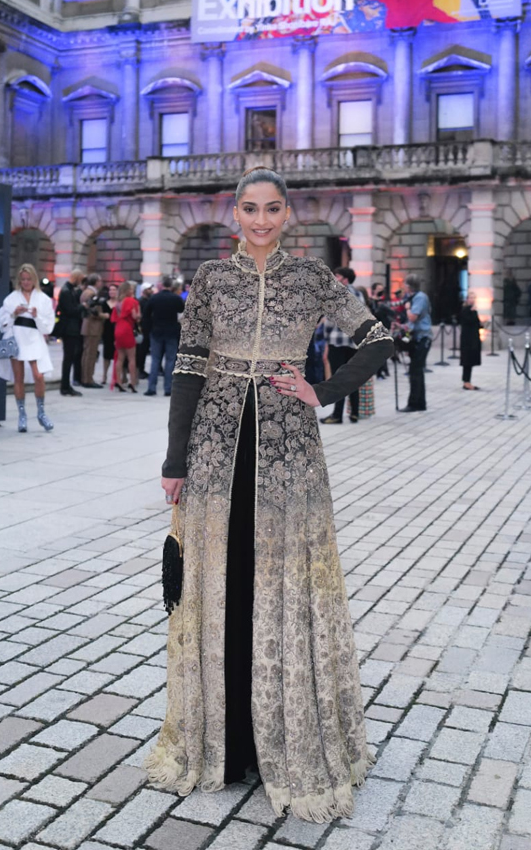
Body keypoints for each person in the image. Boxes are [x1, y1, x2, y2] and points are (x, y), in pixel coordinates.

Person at [150, 167, 392, 822]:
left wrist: (326, 390)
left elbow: (378, 338)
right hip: (214, 449)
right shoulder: (211, 279)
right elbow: (190, 367)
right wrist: (176, 457)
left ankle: (281, 738)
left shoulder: (314, 278)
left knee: (281, 587)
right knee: (221, 584)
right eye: (249, 209)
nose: (260, 220)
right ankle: (223, 746)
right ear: (235, 215)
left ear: (289, 214)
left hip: (288, 449)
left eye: (272, 209)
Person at [0, 263, 56, 432]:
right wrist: (15, 313)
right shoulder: (11, 298)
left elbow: (48, 328)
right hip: (16, 338)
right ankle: (22, 415)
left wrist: (36, 317)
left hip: (34, 338)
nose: (26, 282)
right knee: (18, 377)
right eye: (23, 279)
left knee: (39, 375)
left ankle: (41, 412)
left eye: (29, 279)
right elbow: (3, 324)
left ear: (34, 279)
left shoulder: (43, 299)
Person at [320, 267, 366, 423]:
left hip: (337, 342)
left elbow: (329, 320)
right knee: (352, 378)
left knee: (338, 379)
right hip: (354, 343)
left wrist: (325, 340)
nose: (334, 277)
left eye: (337, 275)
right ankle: (354, 412)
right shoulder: (359, 294)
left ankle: (337, 415)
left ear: (345, 279)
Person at [143, 277, 185, 396]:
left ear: (161, 285)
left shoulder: (154, 298)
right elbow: (182, 310)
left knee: (155, 360)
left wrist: (148, 329)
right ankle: (168, 388)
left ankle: (151, 388)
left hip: (156, 331)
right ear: (171, 286)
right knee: (170, 360)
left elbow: (146, 314)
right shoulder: (176, 298)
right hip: (171, 332)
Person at [400, 275, 431, 412]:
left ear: (409, 286)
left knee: (415, 371)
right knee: (417, 371)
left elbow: (413, 317)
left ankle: (413, 404)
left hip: (422, 338)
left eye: (405, 285)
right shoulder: (413, 297)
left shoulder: (419, 297)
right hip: (415, 338)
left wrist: (407, 308)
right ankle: (420, 403)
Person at [55, 270, 86, 396]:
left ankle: (66, 385)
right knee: (68, 358)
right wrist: (82, 306)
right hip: (68, 329)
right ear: (77, 278)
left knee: (70, 357)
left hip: (71, 328)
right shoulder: (66, 291)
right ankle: (65, 386)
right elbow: (70, 310)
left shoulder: (70, 290)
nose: (81, 282)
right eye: (81, 279)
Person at [79, 275, 109, 387]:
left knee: (87, 353)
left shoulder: (85, 292)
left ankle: (85, 377)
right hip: (92, 327)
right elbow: (93, 312)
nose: (101, 283)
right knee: (90, 354)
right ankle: (88, 379)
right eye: (100, 281)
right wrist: (104, 315)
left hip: (88, 326)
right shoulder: (91, 294)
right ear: (96, 282)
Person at [112, 281, 141, 393]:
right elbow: (135, 316)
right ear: (127, 290)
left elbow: (114, 318)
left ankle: (118, 381)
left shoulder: (118, 302)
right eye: (131, 289)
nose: (132, 291)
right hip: (127, 329)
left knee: (120, 357)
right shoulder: (131, 301)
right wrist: (138, 316)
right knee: (131, 358)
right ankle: (132, 382)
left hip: (118, 328)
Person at [457, 300, 483, 390]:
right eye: (471, 298)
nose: (472, 300)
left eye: (474, 298)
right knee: (467, 361)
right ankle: (466, 382)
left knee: (470, 361)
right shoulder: (466, 310)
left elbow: (476, 322)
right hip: (467, 340)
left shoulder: (473, 310)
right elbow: (468, 321)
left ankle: (467, 381)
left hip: (473, 338)